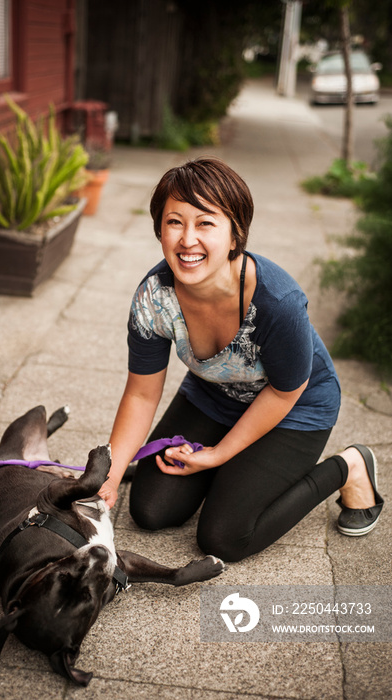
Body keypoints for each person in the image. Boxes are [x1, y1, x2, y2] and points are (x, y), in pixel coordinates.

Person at [98, 157, 384, 562]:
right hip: (214, 395)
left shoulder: (277, 302)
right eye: (174, 222)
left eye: (206, 223)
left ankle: (350, 466)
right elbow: (142, 395)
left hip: (295, 407)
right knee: (150, 510)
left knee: (225, 538)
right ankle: (233, 472)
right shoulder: (153, 298)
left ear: (235, 235)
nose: (187, 239)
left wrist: (217, 455)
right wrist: (107, 478)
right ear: (159, 230)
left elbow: (286, 393)